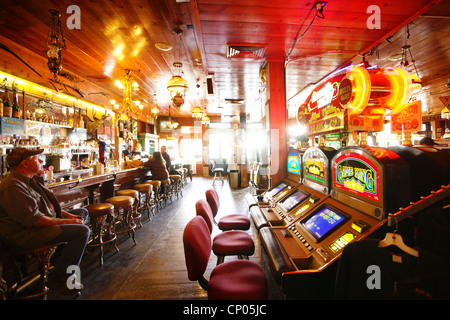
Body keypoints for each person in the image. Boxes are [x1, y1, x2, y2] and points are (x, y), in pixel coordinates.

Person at [0, 148, 90, 295]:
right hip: (25, 233)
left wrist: (69, 218)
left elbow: (51, 208)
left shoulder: (28, 180)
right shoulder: (12, 185)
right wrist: (67, 223)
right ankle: (60, 278)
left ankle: (61, 260)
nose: (41, 161)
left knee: (82, 213)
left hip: (37, 225)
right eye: (37, 158)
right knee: (82, 231)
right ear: (25, 163)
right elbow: (35, 220)